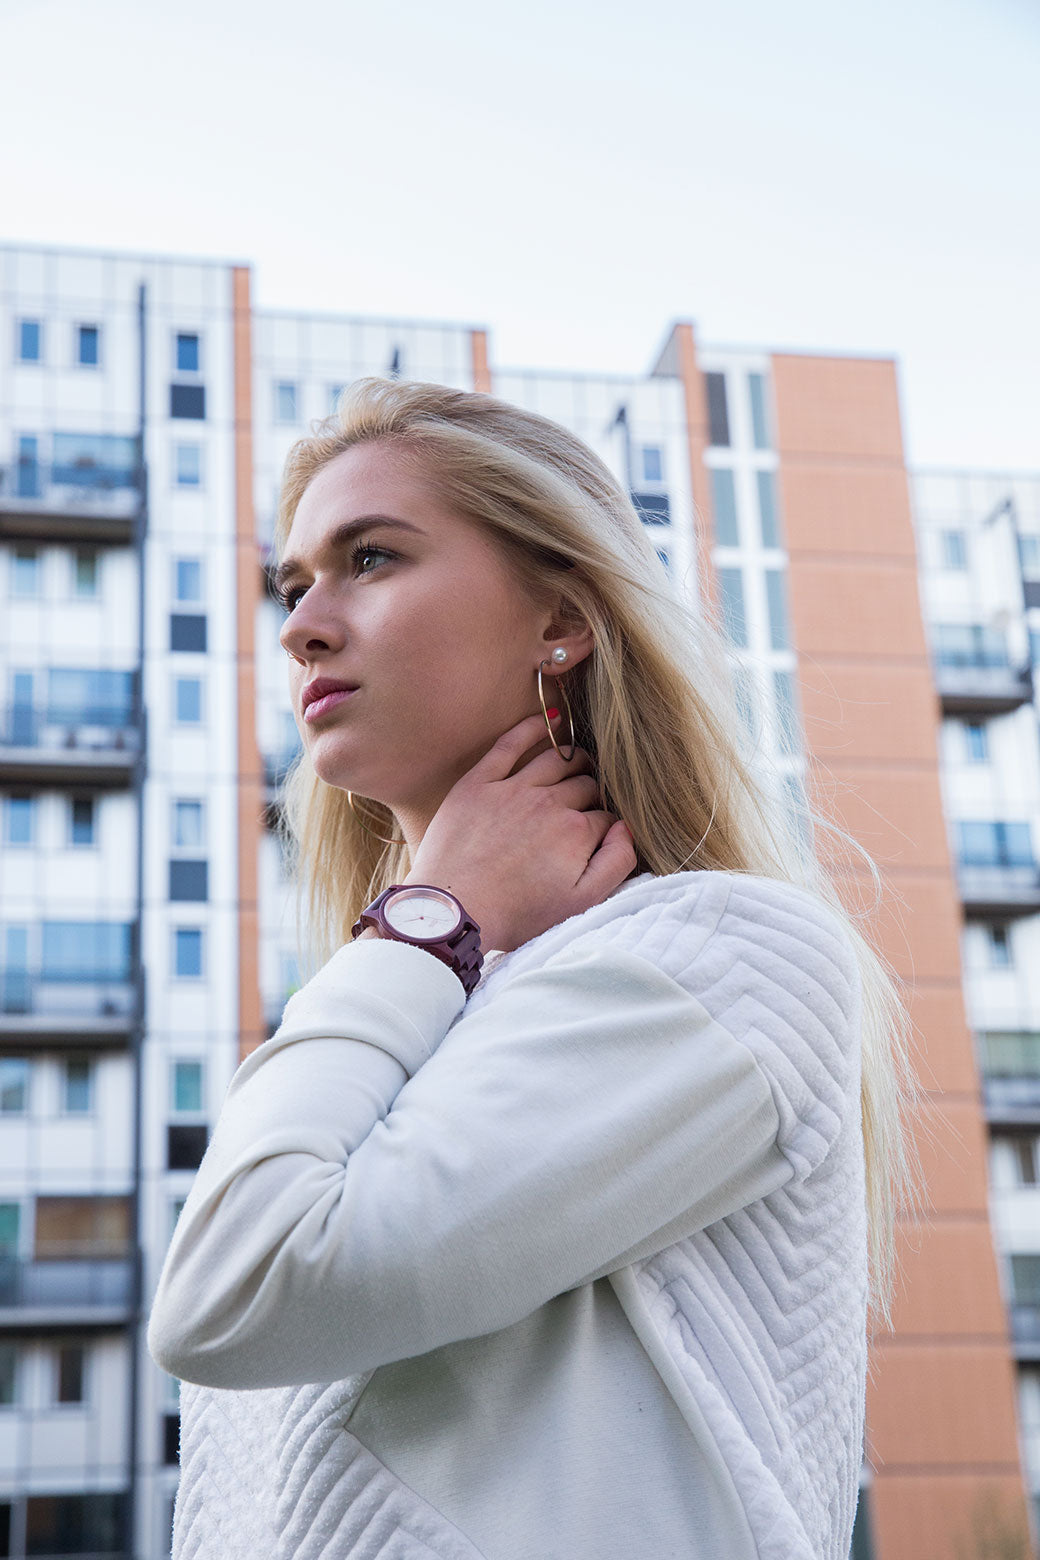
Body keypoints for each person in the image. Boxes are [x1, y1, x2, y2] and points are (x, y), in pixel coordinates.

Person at [148, 377, 924, 1560]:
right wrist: (431, 936)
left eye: (371, 558)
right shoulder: (406, 1001)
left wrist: (428, 920)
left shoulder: (722, 961)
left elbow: (235, 1287)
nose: (302, 622)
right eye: (294, 583)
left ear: (559, 615)